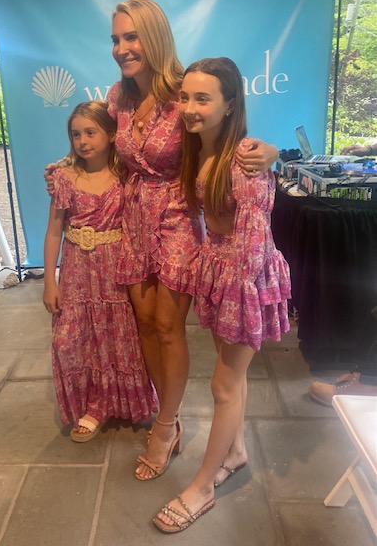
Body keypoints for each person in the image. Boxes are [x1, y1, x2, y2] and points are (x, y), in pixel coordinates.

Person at [45, 0, 279, 479]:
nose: (121, 48)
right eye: (115, 39)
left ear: (154, 37)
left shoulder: (183, 92)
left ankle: (166, 426)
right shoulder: (119, 97)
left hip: (175, 217)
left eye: (131, 36)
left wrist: (270, 150)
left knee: (170, 327)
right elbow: (96, 144)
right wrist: (67, 168)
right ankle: (161, 409)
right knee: (145, 325)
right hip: (131, 218)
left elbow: (224, 133)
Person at [153, 57, 291, 534]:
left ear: (230, 104)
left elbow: (252, 246)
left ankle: (203, 487)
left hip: (243, 279)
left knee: (223, 385)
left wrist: (234, 291)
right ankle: (235, 452)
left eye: (203, 98)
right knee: (233, 378)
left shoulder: (244, 161)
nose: (190, 108)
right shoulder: (201, 150)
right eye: (185, 97)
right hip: (219, 269)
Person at [43, 101, 156, 442]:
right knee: (72, 340)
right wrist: (49, 281)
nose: (82, 141)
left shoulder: (126, 176)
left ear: (110, 133)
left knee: (116, 338)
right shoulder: (64, 178)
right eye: (76, 134)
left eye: (90, 132)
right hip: (76, 272)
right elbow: (53, 231)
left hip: (115, 270)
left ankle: (117, 403)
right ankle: (92, 403)